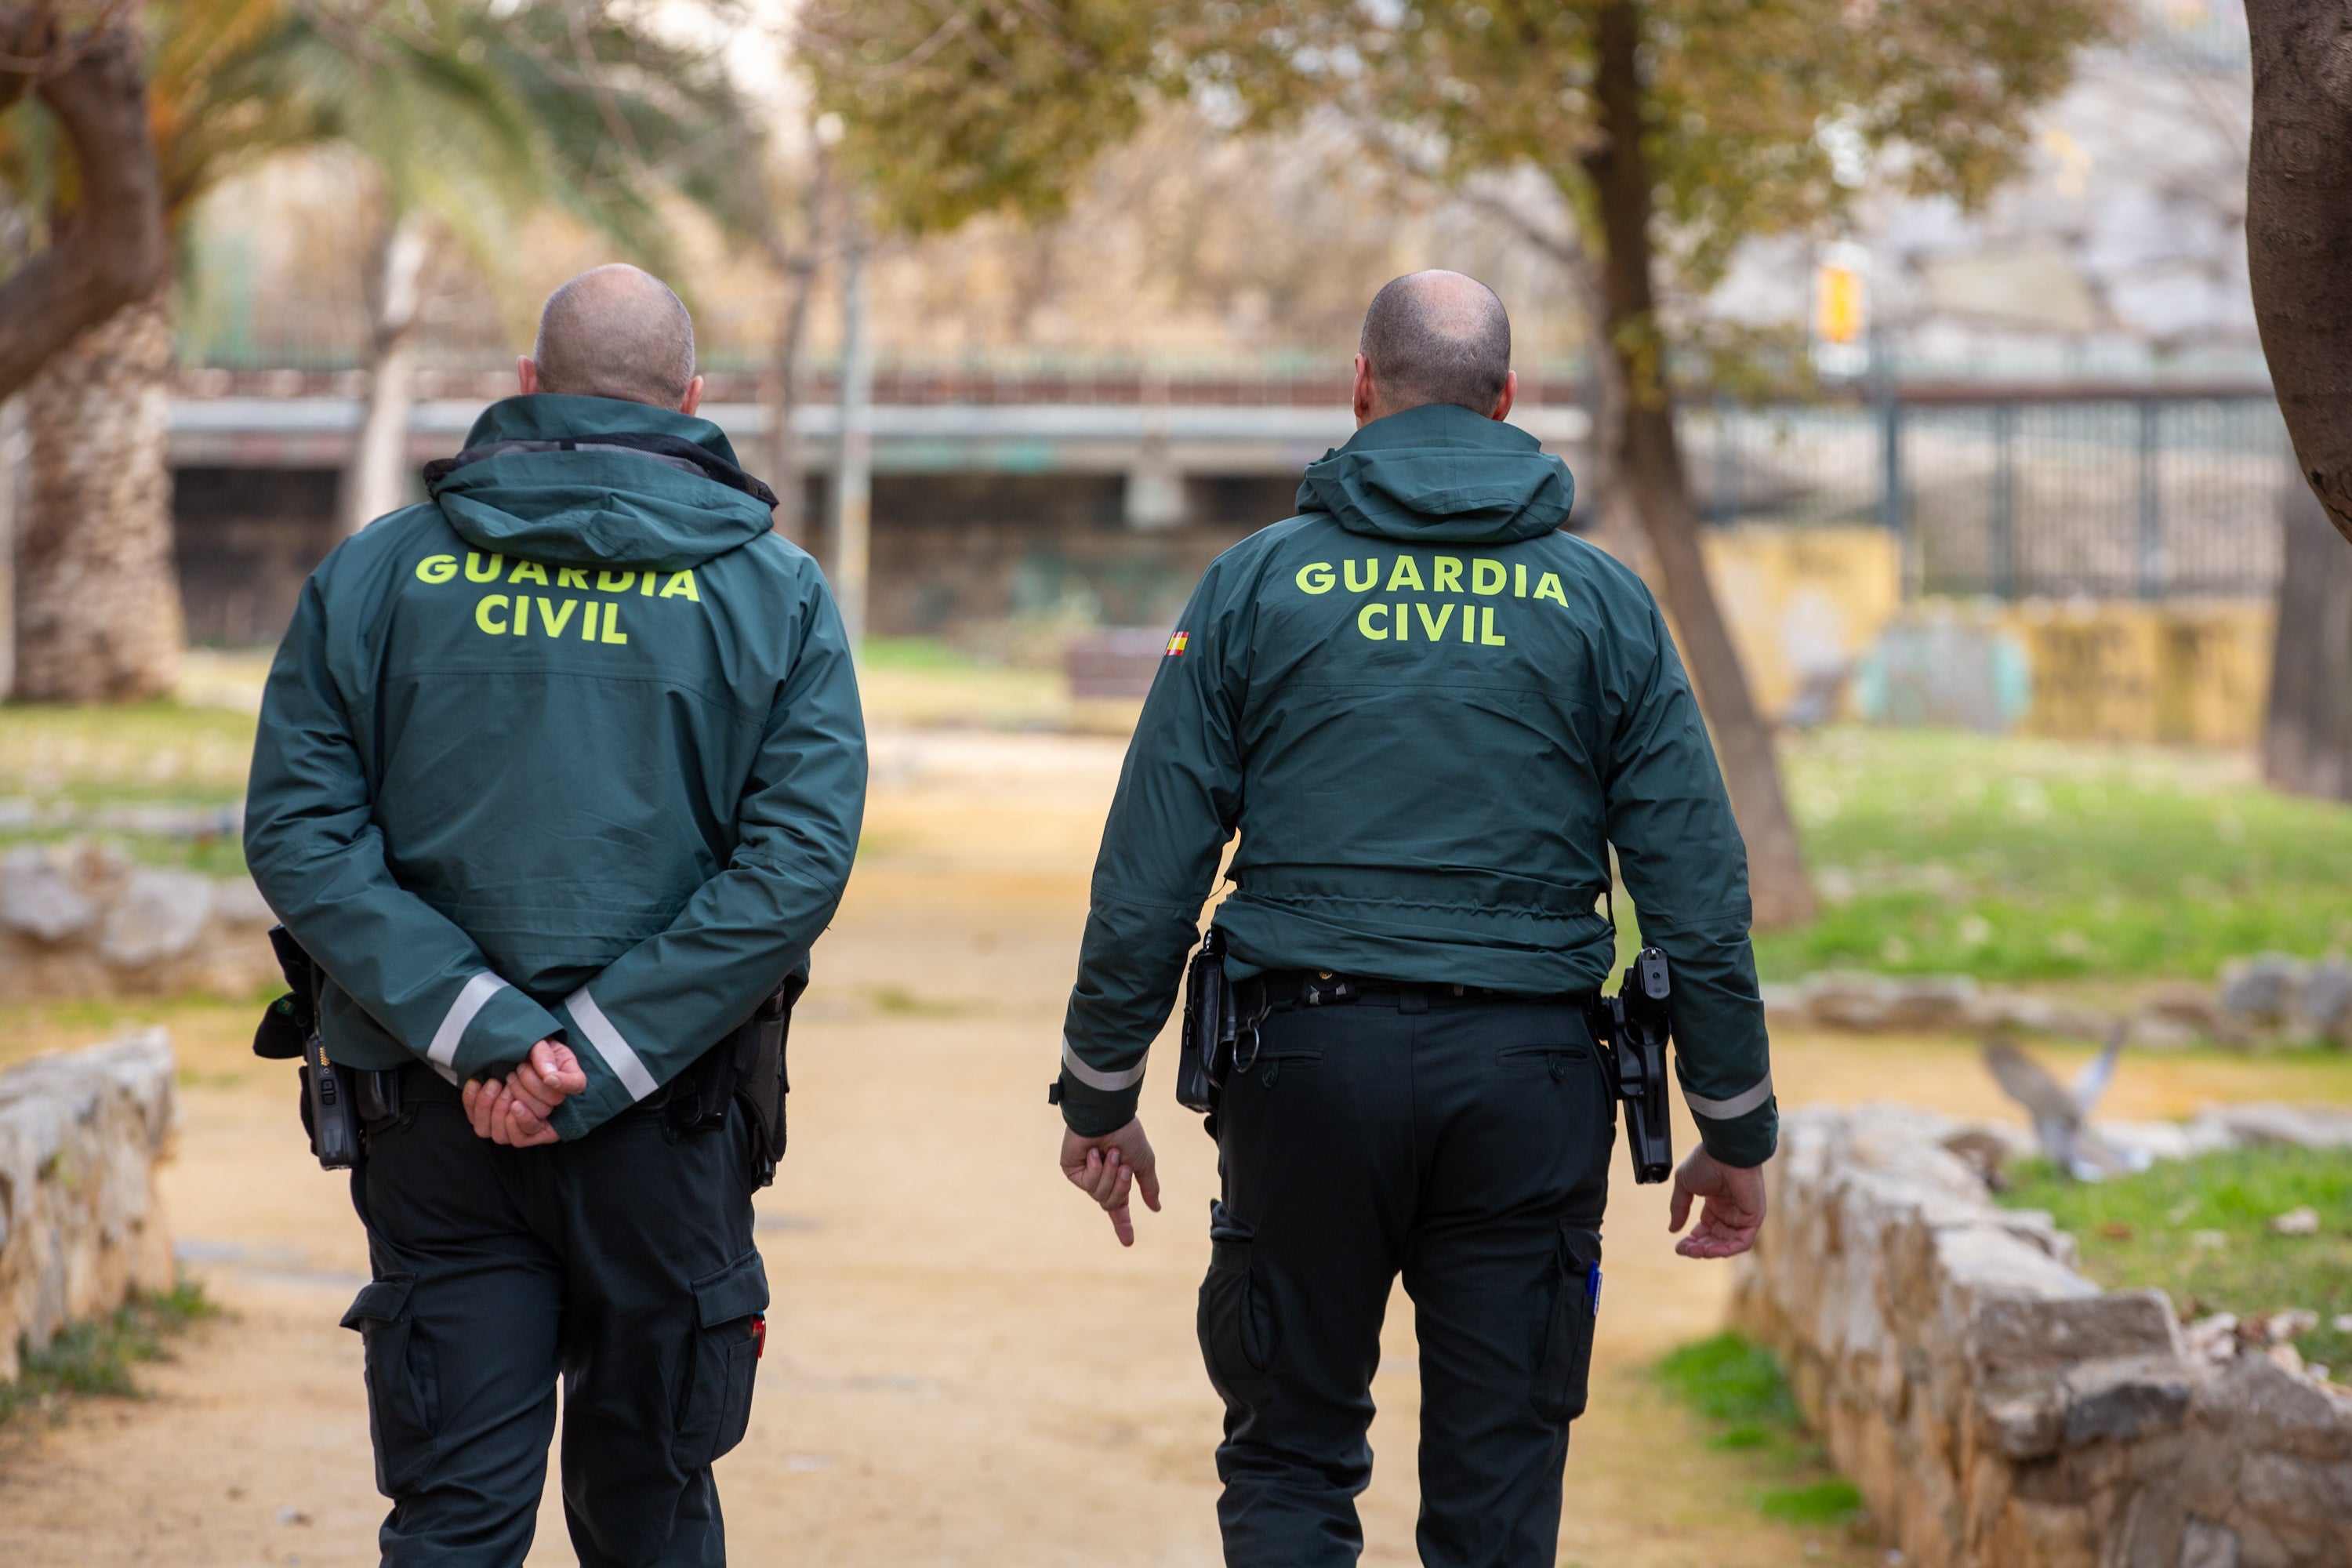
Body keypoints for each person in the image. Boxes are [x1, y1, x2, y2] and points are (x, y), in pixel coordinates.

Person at [1051, 270, 1774, 1567]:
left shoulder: (1254, 586)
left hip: (1306, 1072)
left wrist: (1100, 1090)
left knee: (1289, 1460)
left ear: (1361, 390)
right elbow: (1695, 889)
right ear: (1509, 400)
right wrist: (1733, 1121)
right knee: (1498, 1491)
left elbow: (1151, 866)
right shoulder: (1602, 604)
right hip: (1532, 1082)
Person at [245, 263, 866, 1568]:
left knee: (456, 1516)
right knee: (650, 1511)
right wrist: (594, 1055)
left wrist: (485, 1036)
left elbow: (300, 833)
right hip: (672, 1116)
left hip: (433, 1115)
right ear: (692, 401)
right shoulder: (780, 592)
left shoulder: (376, 575)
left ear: (527, 390)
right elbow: (795, 866)